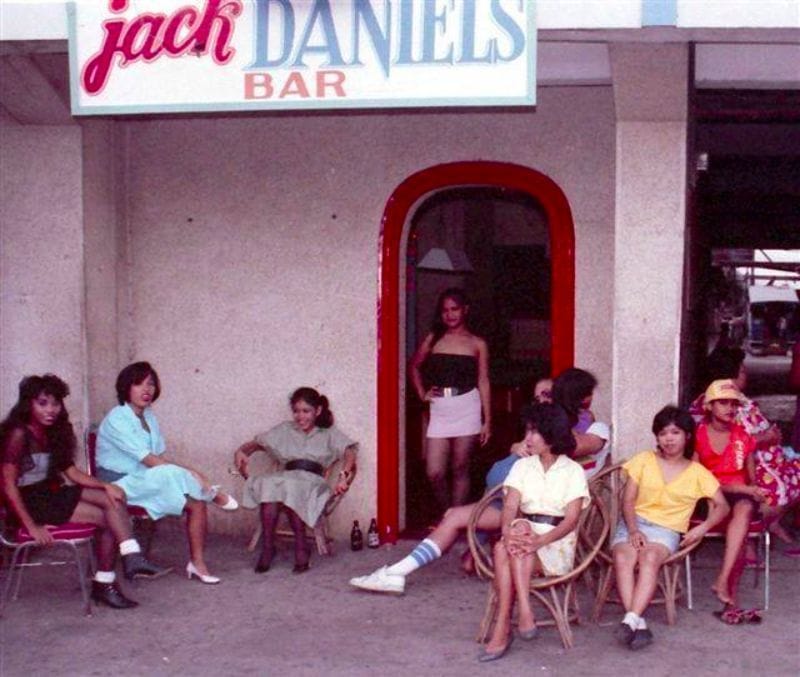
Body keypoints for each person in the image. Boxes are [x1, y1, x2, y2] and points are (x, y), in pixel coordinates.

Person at [0, 374, 167, 609]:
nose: (51, 410)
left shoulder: (54, 431)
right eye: (42, 403)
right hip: (27, 503)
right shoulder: (18, 434)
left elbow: (72, 473)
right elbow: (7, 486)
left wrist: (105, 485)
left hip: (48, 494)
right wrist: (30, 526)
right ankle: (109, 580)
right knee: (110, 518)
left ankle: (128, 558)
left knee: (113, 498)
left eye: (55, 403)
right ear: (28, 404)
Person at [96, 362, 237, 585]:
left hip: (146, 481)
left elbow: (159, 460)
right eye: (139, 384)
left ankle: (198, 564)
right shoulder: (117, 418)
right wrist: (194, 474)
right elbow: (150, 460)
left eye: (151, 384)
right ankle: (214, 494)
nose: (147, 390)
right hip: (117, 485)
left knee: (196, 502)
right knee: (174, 475)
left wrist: (191, 475)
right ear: (126, 387)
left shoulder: (149, 417)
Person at [611, 406, 729, 650]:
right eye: (663, 433)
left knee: (649, 557)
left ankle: (631, 619)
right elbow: (628, 500)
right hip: (634, 523)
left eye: (675, 432)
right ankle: (636, 622)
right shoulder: (644, 460)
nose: (669, 439)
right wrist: (633, 530)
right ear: (657, 437)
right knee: (623, 557)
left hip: (666, 530)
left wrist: (703, 528)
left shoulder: (698, 473)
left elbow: (723, 506)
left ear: (687, 435)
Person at [478, 403, 588, 662]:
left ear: (552, 434)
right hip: (523, 535)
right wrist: (507, 531)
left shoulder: (572, 471)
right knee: (512, 540)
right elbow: (510, 506)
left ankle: (503, 627)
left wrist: (541, 541)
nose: (527, 438)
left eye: (535, 432)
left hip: (556, 540)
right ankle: (523, 613)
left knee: (505, 551)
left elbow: (571, 520)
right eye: (527, 430)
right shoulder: (522, 466)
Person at [234, 387, 357, 574]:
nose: (300, 417)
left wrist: (343, 476)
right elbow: (257, 443)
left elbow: (350, 452)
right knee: (270, 485)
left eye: (306, 411)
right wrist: (242, 451)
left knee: (290, 488)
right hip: (288, 477)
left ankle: (301, 546)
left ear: (318, 411)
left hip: (313, 482)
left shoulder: (328, 433)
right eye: (296, 411)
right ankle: (268, 547)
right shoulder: (286, 429)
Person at [689, 347, 800, 544]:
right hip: (735, 473)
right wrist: (766, 438)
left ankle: (769, 524)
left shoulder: (725, 401)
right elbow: (730, 443)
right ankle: (760, 525)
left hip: (754, 465)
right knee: (776, 488)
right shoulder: (722, 406)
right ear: (729, 377)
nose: (745, 375)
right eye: (742, 371)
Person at [409, 287, 490, 512]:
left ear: (465, 310)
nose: (450, 314)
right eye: (445, 310)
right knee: (434, 472)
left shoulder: (477, 343)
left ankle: (455, 518)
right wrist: (422, 393)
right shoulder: (433, 338)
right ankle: (448, 513)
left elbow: (483, 381)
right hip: (440, 408)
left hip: (468, 405)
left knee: (460, 467)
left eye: (454, 309)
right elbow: (414, 366)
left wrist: (488, 421)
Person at [693, 379, 765, 616]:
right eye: (723, 402)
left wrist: (753, 491)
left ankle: (722, 581)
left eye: (734, 404)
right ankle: (728, 594)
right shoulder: (698, 435)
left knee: (744, 510)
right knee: (739, 515)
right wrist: (742, 489)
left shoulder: (743, 436)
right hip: (710, 497)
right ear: (709, 406)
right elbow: (696, 479)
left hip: (741, 499)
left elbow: (751, 480)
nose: (730, 408)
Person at [551, 367, 610, 478]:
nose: (592, 397)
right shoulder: (553, 417)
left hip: (578, 467)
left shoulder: (587, 416)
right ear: (580, 396)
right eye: (590, 393)